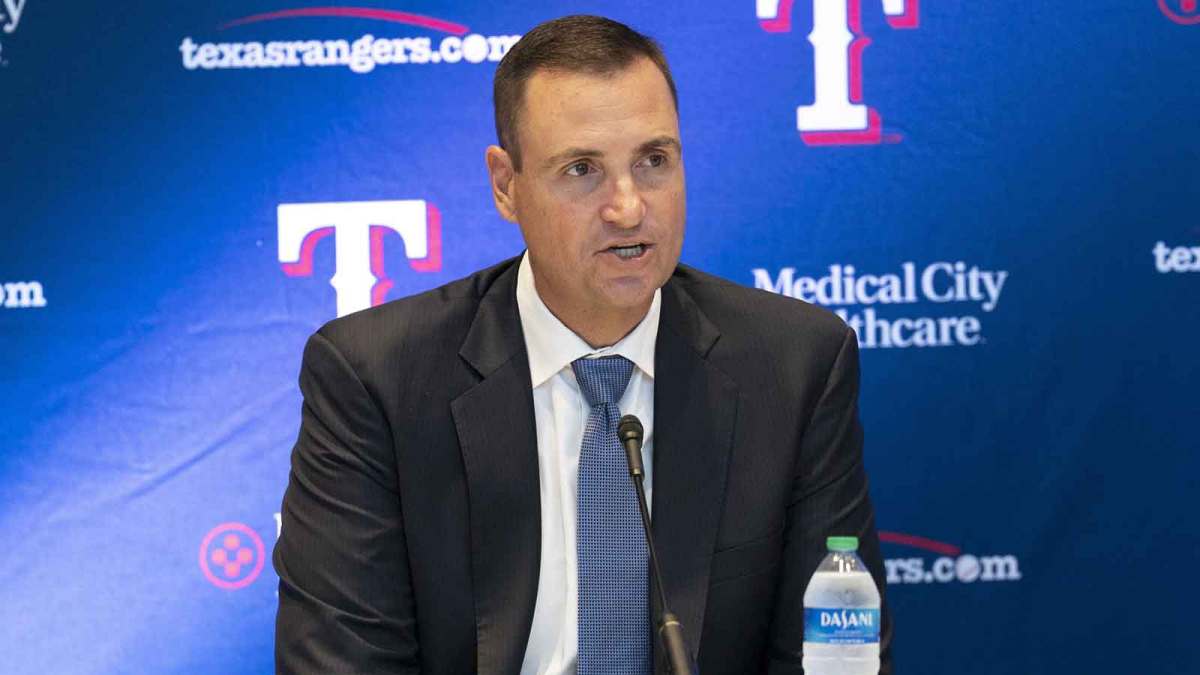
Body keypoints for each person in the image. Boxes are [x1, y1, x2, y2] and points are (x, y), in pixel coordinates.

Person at [274, 14, 892, 675]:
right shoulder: (378, 378)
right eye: (581, 170)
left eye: (653, 161)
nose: (628, 207)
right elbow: (340, 661)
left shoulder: (795, 366)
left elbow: (836, 656)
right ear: (506, 185)